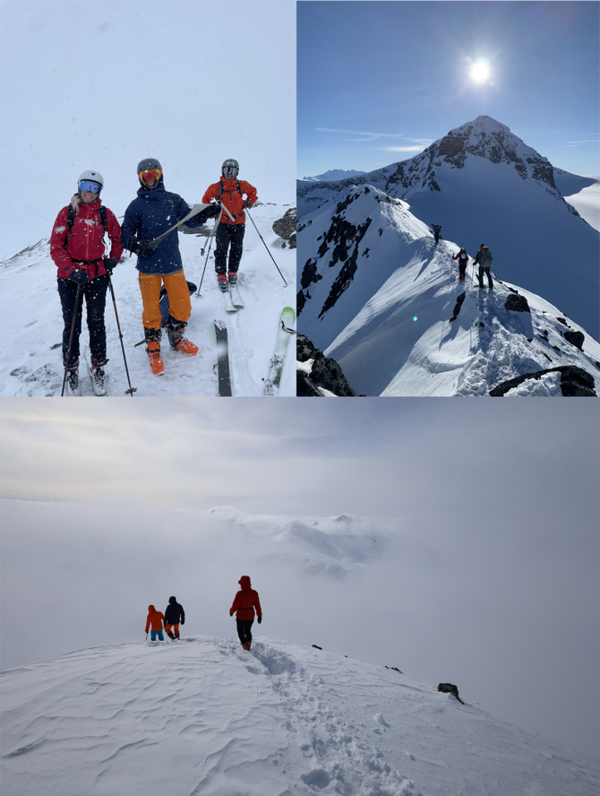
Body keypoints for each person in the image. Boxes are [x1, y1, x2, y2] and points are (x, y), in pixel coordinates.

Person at [121, 158, 220, 375]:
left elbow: (190, 220)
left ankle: (176, 337)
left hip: (173, 264)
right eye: (145, 176)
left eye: (153, 174)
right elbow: (125, 233)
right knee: (151, 310)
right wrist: (136, 245)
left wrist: (204, 213)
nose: (150, 179)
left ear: (160, 175)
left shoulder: (173, 200)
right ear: (139, 178)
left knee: (183, 306)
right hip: (148, 268)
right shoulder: (135, 206)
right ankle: (153, 346)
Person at [50, 170, 123, 396]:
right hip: (69, 277)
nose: (89, 192)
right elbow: (56, 246)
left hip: (96, 274)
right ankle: (71, 369)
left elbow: (117, 238)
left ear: (99, 191)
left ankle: (98, 366)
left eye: (94, 188)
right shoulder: (67, 213)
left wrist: (113, 259)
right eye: (85, 186)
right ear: (79, 186)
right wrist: (71, 270)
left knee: (96, 321)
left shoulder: (104, 214)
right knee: (72, 323)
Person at [202, 159, 258, 292]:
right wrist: (213, 209)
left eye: (233, 170)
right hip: (222, 223)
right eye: (227, 170)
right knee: (221, 249)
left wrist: (249, 202)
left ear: (237, 172)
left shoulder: (242, 185)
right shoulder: (216, 187)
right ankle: (221, 274)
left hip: (239, 223)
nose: (230, 173)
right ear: (222, 171)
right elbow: (205, 199)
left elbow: (253, 192)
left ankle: (233, 271)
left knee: (236, 249)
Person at [229, 575, 262, 651]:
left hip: (241, 616)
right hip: (250, 616)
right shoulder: (254, 593)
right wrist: (259, 616)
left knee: (240, 631)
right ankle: (249, 643)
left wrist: (231, 611)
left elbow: (235, 605)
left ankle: (245, 644)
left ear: (242, 584)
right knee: (248, 630)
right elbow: (257, 605)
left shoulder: (240, 593)